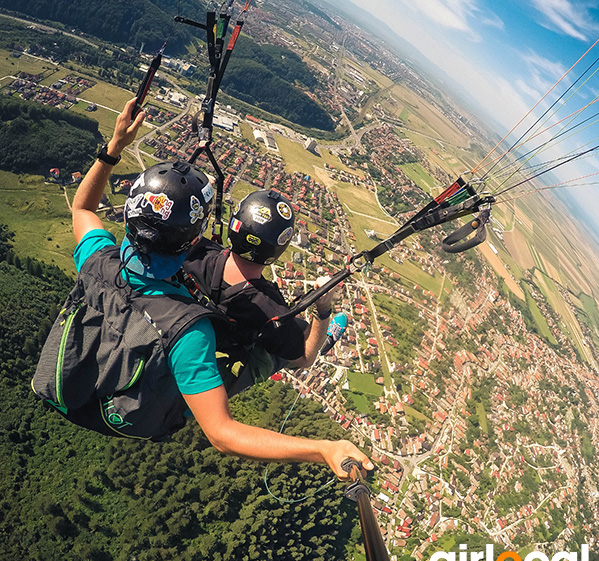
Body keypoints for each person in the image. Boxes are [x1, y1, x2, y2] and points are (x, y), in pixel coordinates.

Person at [50, 97, 372, 479]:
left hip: (80, 381)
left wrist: (114, 147)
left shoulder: (97, 258)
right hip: (134, 410)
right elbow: (222, 434)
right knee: (264, 359)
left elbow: (82, 209)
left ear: (129, 214)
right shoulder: (189, 332)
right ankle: (324, 326)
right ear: (189, 241)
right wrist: (321, 448)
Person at [182, 189, 336, 395]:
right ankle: (322, 338)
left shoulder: (196, 252)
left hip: (187, 334)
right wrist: (323, 310)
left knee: (287, 329)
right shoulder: (269, 309)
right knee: (298, 333)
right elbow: (305, 359)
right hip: (225, 353)